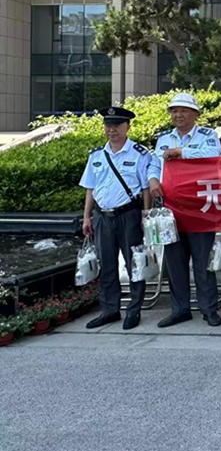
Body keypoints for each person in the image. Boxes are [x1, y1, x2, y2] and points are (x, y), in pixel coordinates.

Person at [148, 93, 221, 328]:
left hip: (200, 208)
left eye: (183, 110)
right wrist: (152, 179)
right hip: (171, 209)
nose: (178, 115)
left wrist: (181, 152)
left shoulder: (208, 136)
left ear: (195, 114)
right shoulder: (163, 138)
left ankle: (208, 308)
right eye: (174, 111)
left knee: (203, 261)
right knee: (175, 262)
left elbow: (213, 155)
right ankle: (180, 309)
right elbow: (154, 163)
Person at [79, 107, 152, 330]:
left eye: (117, 126)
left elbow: (146, 188)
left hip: (128, 215)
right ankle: (110, 310)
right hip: (102, 216)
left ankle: (134, 310)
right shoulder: (96, 156)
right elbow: (90, 188)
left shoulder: (139, 154)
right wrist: (86, 217)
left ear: (127, 127)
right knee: (107, 264)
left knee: (134, 263)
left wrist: (145, 215)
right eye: (108, 126)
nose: (112, 130)